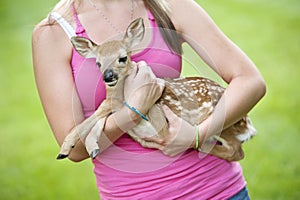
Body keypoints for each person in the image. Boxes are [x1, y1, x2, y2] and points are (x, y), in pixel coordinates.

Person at [32, 0, 266, 199]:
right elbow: (75, 149)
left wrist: (196, 136)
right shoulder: (54, 33)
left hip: (215, 189)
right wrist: (133, 111)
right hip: (134, 193)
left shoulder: (166, 5)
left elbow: (249, 80)